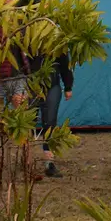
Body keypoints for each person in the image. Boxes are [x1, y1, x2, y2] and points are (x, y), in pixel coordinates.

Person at [36, 51, 74, 179]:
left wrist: (68, 86)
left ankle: (49, 163)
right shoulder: (27, 35)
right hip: (32, 84)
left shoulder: (56, 41)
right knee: (27, 121)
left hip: (53, 85)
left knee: (50, 123)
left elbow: (64, 64)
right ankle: (26, 161)